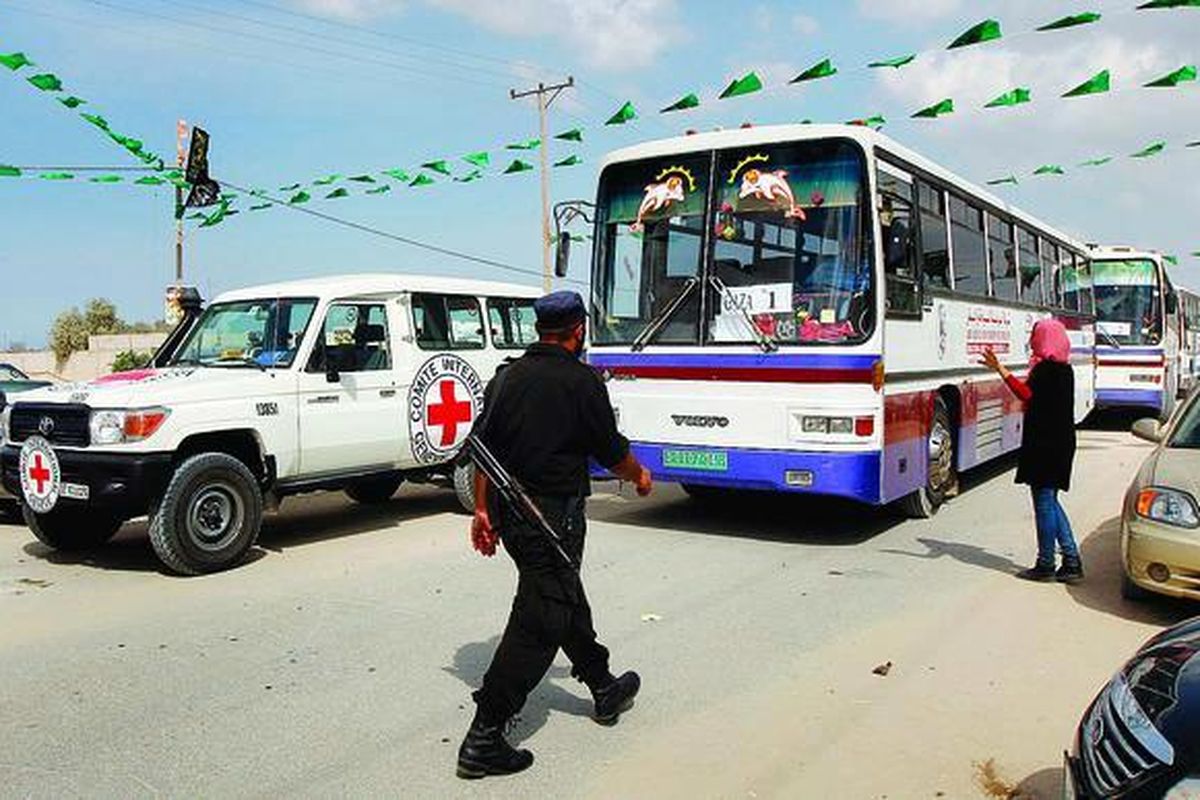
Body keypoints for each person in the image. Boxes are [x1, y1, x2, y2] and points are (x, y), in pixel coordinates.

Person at [456, 290, 654, 780]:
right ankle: (485, 735)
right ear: (579, 330)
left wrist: (482, 509)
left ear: (540, 328)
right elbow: (610, 451)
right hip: (553, 516)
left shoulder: (507, 378)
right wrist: (640, 475)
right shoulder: (581, 382)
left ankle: (602, 683)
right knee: (543, 616)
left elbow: (484, 449)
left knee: (559, 594)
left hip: (511, 513)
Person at [980, 319, 1083, 584]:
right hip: (1059, 443)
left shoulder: (1046, 370)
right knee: (1050, 500)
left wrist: (1000, 369)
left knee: (1044, 502)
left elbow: (1026, 394)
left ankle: (1046, 563)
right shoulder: (1064, 369)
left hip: (1045, 444)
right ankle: (1071, 561)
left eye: (1035, 336)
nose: (1031, 342)